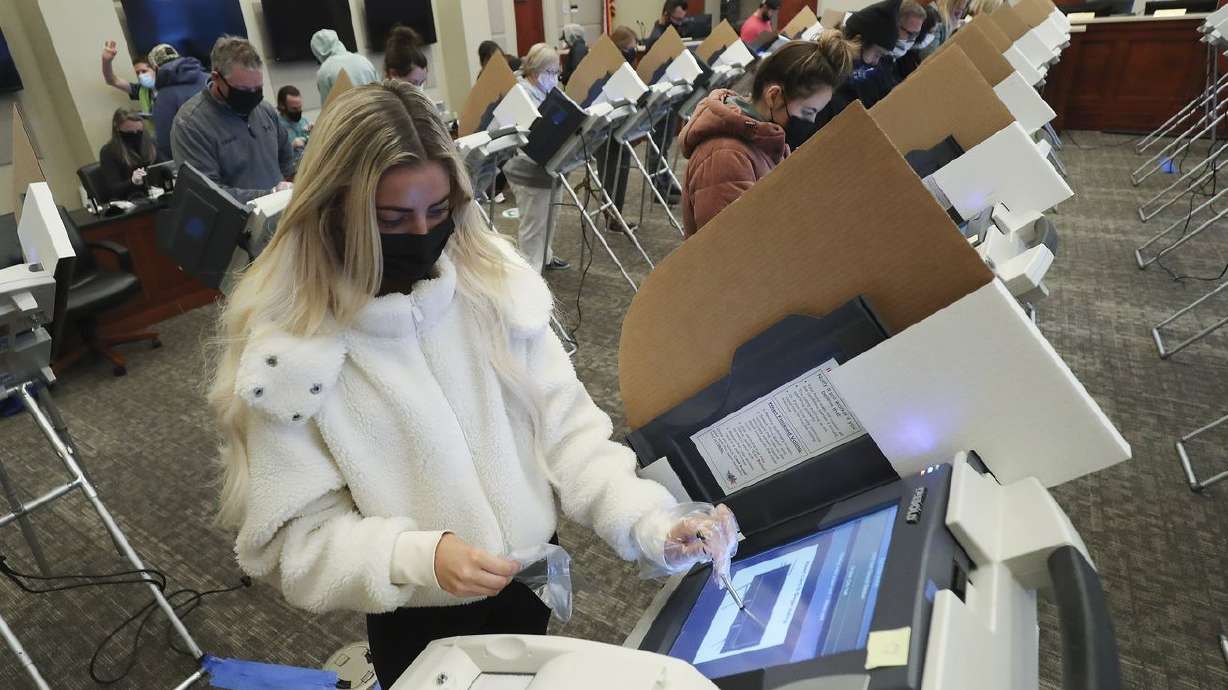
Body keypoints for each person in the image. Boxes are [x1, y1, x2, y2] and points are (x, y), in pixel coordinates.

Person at [208, 78, 738, 689]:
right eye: (392, 218)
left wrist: (652, 521)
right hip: (418, 616)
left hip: (526, 584)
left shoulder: (491, 287)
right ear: (335, 210)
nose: (423, 232)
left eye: (437, 212)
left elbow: (570, 438)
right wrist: (418, 556)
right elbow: (295, 542)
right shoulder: (292, 355)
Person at [679, 35, 855, 237]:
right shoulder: (725, 156)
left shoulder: (766, 139)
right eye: (808, 112)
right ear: (773, 96)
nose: (812, 122)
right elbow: (731, 249)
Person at [172, 36, 294, 203]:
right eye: (243, 89)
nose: (252, 95)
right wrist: (269, 195)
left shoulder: (264, 110)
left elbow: (288, 163)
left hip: (280, 213)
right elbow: (206, 193)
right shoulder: (190, 124)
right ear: (216, 78)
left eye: (257, 88)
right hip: (237, 223)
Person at [502, 44, 569, 272]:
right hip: (526, 167)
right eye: (551, 72)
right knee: (534, 223)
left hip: (550, 164)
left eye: (557, 72)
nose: (555, 77)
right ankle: (531, 271)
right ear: (535, 69)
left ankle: (545, 257)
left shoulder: (548, 90)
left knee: (551, 215)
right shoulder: (520, 93)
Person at [148, 43, 210, 162]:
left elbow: (166, 142)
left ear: (155, 68)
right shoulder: (211, 79)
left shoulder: (164, 97)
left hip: (197, 160)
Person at [98, 107, 159, 203]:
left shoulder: (150, 143)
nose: (135, 135)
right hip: (129, 200)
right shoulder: (108, 152)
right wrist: (132, 182)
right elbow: (114, 189)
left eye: (139, 132)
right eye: (129, 132)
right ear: (117, 129)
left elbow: (163, 166)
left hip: (155, 195)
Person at [311, 29, 378, 104]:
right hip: (376, 112)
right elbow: (381, 92)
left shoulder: (324, 71)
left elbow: (327, 109)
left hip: (349, 115)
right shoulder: (364, 60)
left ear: (317, 51)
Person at [100, 40, 156, 127]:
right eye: (137, 73)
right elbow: (112, 80)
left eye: (144, 71)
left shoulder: (169, 87)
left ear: (155, 69)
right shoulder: (141, 90)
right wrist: (106, 61)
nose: (141, 76)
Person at [277, 85, 312, 168]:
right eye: (294, 109)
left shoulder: (304, 121)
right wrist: (291, 146)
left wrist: (315, 133)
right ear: (282, 106)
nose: (298, 111)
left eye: (300, 108)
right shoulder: (275, 127)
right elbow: (272, 157)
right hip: (289, 173)